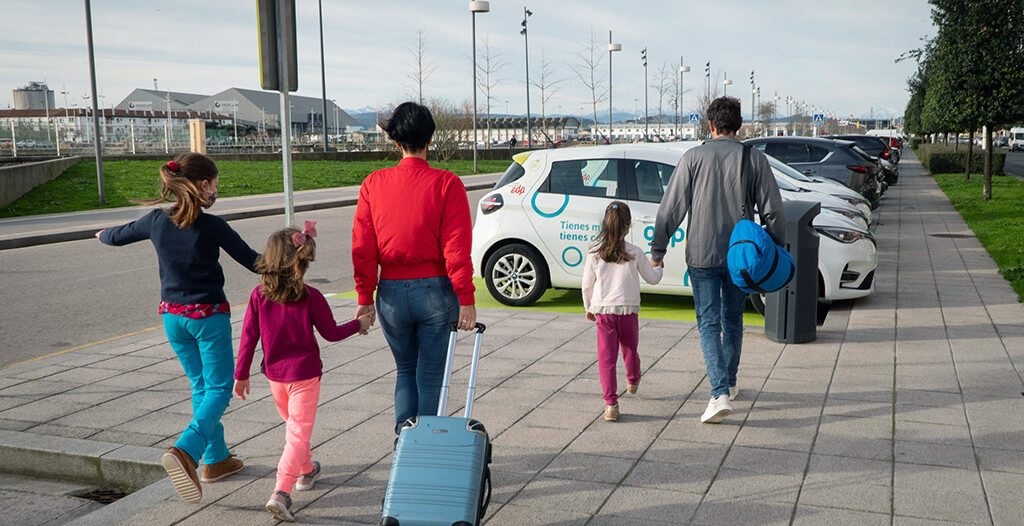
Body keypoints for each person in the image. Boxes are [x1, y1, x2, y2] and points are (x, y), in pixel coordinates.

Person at [96, 153, 259, 503]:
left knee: (201, 386)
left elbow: (115, 236)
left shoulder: (156, 220)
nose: (217, 190)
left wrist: (102, 234)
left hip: (173, 319)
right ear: (203, 185)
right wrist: (295, 250)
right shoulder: (213, 225)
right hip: (208, 318)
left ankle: (216, 460)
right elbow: (257, 262)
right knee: (218, 389)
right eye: (215, 184)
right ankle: (186, 450)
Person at [651, 97, 785, 424]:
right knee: (733, 320)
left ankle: (719, 392)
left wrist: (658, 250)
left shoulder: (692, 158)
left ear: (710, 125)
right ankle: (731, 382)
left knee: (708, 324)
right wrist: (778, 246)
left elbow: (671, 209)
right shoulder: (754, 159)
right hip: (742, 257)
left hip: (701, 253)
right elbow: (774, 211)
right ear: (738, 125)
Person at [232, 222, 371, 522]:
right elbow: (331, 333)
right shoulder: (311, 296)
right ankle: (281, 493)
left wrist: (240, 374)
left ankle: (306, 471)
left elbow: (248, 337)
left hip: (275, 377)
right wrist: (358, 324)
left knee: (295, 429)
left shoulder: (259, 296)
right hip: (305, 376)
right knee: (297, 432)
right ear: (303, 261)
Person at [351, 102, 477, 434]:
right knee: (431, 374)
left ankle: (404, 443)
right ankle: (424, 449)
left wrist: (365, 297)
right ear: (430, 138)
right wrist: (466, 297)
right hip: (436, 290)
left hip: (391, 293)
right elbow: (456, 248)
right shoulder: (447, 184)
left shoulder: (373, 184)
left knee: (405, 370)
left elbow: (363, 248)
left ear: (395, 141)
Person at [582, 201, 663, 422]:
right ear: (628, 227)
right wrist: (659, 265)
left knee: (606, 358)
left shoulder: (594, 253)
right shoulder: (635, 253)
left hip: (603, 312)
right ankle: (633, 378)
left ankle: (610, 405)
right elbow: (652, 279)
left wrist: (589, 307)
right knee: (630, 349)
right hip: (628, 311)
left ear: (604, 225)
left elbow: (587, 285)